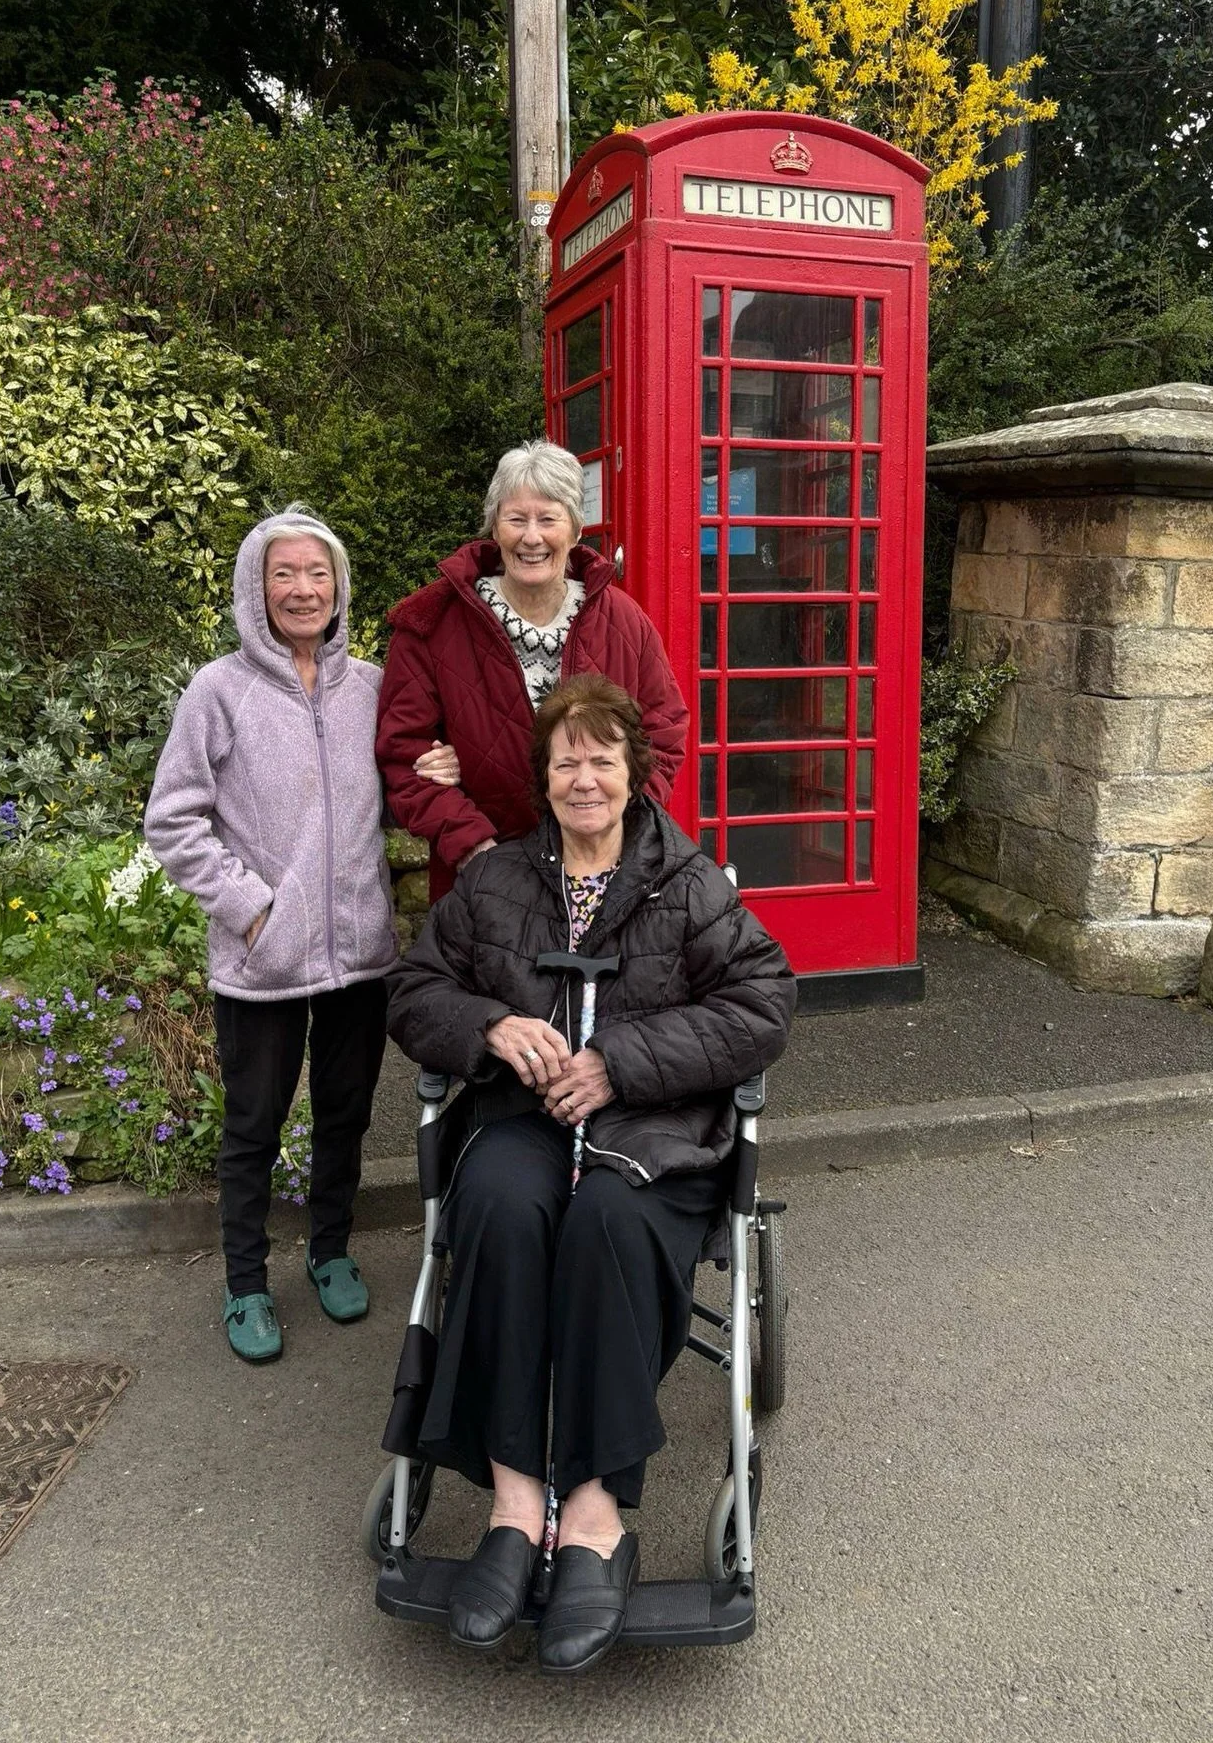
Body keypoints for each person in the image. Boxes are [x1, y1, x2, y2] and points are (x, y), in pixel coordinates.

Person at [386, 674, 795, 1675]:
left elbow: (764, 1004)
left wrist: (622, 1060)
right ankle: (518, 1501)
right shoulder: (496, 881)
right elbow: (413, 988)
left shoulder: (687, 884)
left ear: (633, 773)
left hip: (649, 1131)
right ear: (543, 775)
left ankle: (600, 1513)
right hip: (525, 1118)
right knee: (497, 1205)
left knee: (608, 1221)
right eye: (566, 758)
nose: (584, 777)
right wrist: (489, 1025)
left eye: (602, 758)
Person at [146, 508, 395, 1364]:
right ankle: (246, 1281)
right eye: (284, 574)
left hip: (361, 954)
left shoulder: (372, 686)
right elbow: (173, 821)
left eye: (317, 574)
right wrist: (254, 909)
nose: (303, 589)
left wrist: (443, 766)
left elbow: (403, 780)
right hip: (263, 958)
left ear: (340, 587)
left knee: (346, 1114)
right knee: (253, 1124)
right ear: (257, 589)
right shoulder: (219, 691)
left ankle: (329, 1252)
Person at [376, 438, 689, 900]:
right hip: (481, 881)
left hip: (605, 876)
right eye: (516, 518)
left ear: (576, 529)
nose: (531, 537)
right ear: (494, 527)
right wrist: (474, 849)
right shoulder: (433, 623)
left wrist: (620, 828)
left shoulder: (624, 620)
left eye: (548, 519)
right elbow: (405, 755)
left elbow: (665, 732)